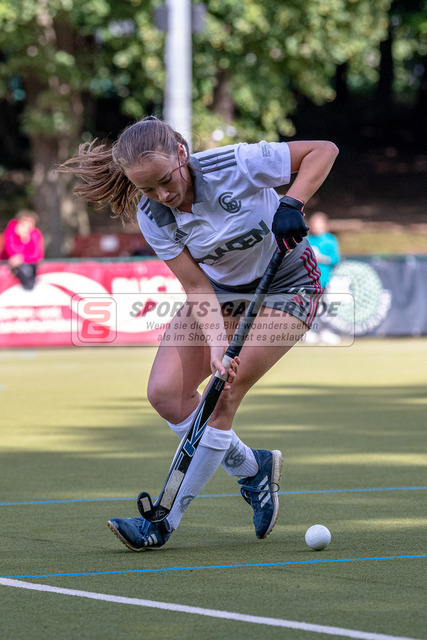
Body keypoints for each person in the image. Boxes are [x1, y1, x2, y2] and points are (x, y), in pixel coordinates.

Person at [62, 116, 338, 552]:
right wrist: (216, 346)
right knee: (166, 393)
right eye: (147, 189)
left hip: (288, 285)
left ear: (181, 154)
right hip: (221, 294)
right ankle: (252, 469)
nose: (162, 195)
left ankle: (163, 521)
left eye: (165, 180)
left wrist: (292, 203)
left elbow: (324, 150)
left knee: (223, 395)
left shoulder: (237, 164)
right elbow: (195, 286)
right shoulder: (153, 216)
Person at [307, 212, 341, 343]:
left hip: (325, 280)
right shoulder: (307, 240)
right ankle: (311, 331)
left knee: (326, 307)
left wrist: (321, 258)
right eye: (314, 223)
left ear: (325, 225)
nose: (316, 226)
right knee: (310, 307)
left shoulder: (330, 240)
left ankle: (325, 331)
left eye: (318, 223)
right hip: (309, 280)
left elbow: (335, 259)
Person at [0, 210, 44, 290]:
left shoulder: (35, 234)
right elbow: (13, 254)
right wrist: (20, 240)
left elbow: (37, 255)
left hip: (27, 264)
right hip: (7, 264)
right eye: (24, 223)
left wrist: (25, 240)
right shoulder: (10, 232)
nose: (27, 227)